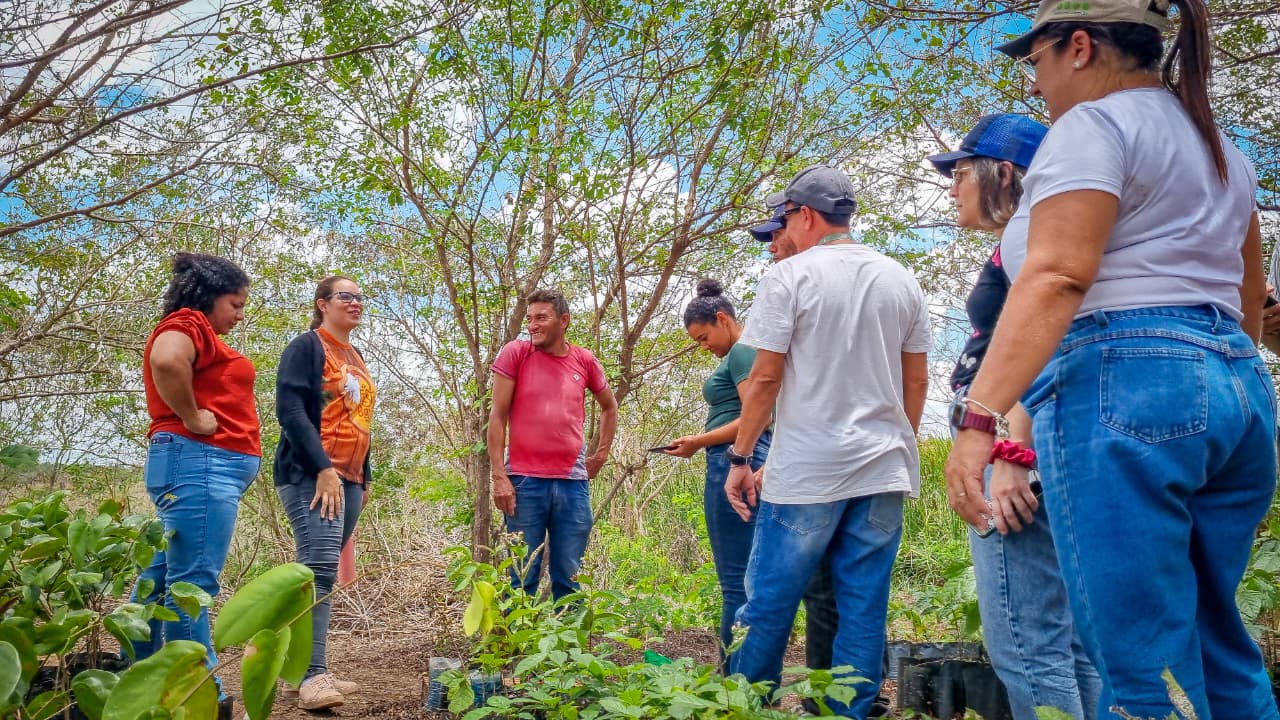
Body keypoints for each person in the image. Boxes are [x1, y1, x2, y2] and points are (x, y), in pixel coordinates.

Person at [945, 2, 1279, 718]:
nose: (1035, 87)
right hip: (1237, 387)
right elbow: (1249, 298)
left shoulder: (1093, 126)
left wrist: (981, 421)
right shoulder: (1224, 149)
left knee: (1135, 664)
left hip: (1127, 381)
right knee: (1217, 647)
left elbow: (1059, 274)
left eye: (1035, 63)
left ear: (1080, 46)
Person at [725, 165, 931, 719]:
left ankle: (748, 707)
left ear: (805, 215)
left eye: (785, 217)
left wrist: (741, 458)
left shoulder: (788, 278)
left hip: (808, 472)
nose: (781, 231)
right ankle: (850, 711)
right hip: (884, 470)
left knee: (769, 603)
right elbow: (917, 382)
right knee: (862, 608)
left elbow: (764, 380)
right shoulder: (901, 278)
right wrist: (895, 441)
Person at [927, 113, 1100, 720]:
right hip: (1045, 432)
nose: (952, 187)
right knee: (1071, 642)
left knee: (1028, 643)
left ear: (1003, 172)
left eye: (959, 172)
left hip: (1011, 436)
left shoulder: (1034, 227)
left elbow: (1046, 337)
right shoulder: (1047, 228)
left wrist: (1009, 450)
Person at [134, 253, 261, 677]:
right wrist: (191, 416)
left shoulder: (201, 332)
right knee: (191, 586)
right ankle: (198, 692)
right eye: (236, 304)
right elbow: (168, 360)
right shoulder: (187, 323)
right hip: (198, 463)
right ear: (208, 297)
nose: (240, 315)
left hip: (198, 466)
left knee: (159, 579)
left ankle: (135, 675)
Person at [273, 276, 376, 710]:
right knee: (316, 571)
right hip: (311, 475)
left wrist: (364, 477)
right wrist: (323, 469)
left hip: (349, 479)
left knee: (320, 573)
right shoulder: (306, 346)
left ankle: (300, 670)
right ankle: (313, 676)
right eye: (344, 296)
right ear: (322, 304)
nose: (355, 303)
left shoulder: (353, 354)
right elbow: (291, 409)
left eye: (359, 297)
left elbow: (359, 418)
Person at [660, 279, 770, 669]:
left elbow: (757, 415)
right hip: (742, 457)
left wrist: (699, 439)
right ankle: (745, 673)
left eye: (704, 337)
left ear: (723, 319)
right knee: (745, 576)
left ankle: (735, 679)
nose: (703, 347)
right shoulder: (740, 355)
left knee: (734, 580)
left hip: (736, 461)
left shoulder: (741, 352)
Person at [487, 289, 618, 600]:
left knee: (569, 576)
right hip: (524, 480)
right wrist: (498, 477)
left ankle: (568, 645)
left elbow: (609, 406)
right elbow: (497, 416)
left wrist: (600, 455)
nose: (533, 325)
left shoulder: (584, 360)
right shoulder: (516, 353)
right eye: (530, 319)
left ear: (564, 320)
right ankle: (516, 647)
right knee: (521, 575)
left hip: (572, 482)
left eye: (541, 318)